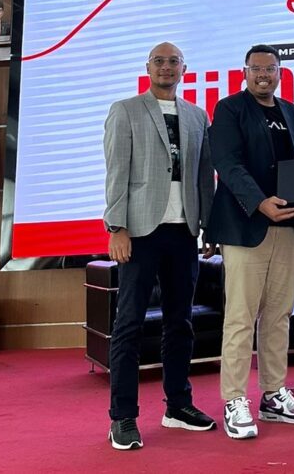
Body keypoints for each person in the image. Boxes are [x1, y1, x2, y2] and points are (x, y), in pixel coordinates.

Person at [103, 42, 216, 450]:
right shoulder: (126, 110)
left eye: (173, 62)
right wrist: (116, 226)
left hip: (184, 231)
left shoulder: (197, 116)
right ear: (148, 67)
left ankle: (178, 406)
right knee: (129, 324)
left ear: (184, 68)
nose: (166, 67)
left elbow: (204, 176)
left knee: (180, 322)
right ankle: (123, 417)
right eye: (159, 61)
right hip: (139, 232)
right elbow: (116, 171)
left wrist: (208, 226)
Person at [206, 44, 294, 439]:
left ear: (280, 73)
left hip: (286, 226)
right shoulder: (229, 109)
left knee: (278, 315)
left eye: (270, 69)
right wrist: (259, 202)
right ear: (245, 72)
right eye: (256, 69)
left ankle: (273, 395)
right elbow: (227, 163)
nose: (263, 75)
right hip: (244, 227)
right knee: (241, 316)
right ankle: (234, 400)